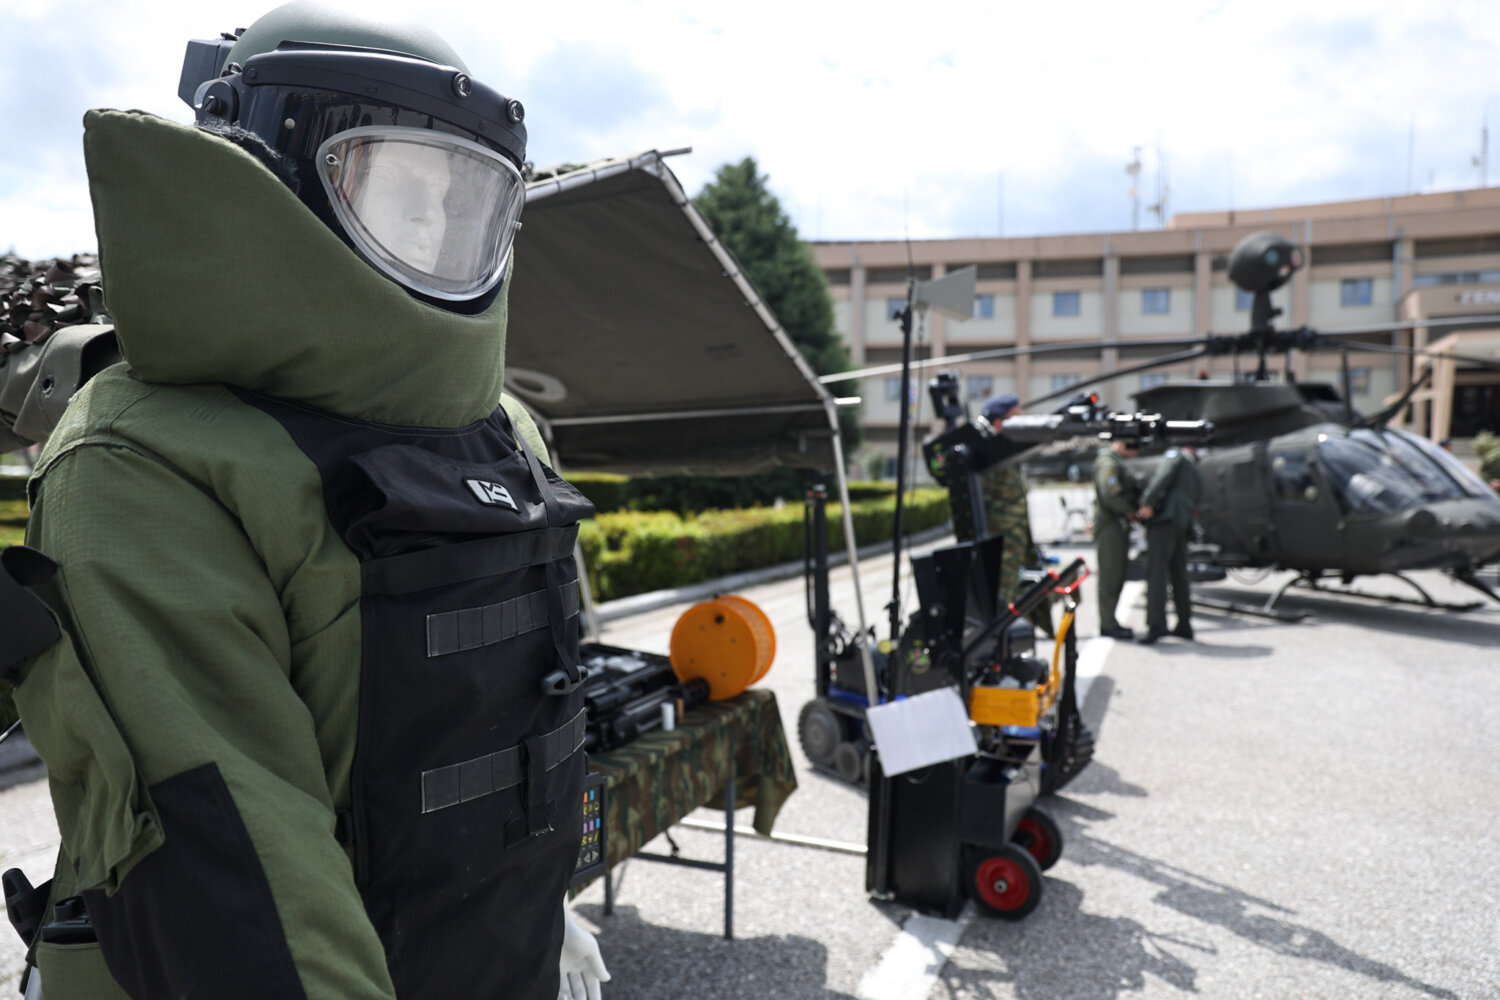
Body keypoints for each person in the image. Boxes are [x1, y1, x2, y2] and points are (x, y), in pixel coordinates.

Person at [0, 4, 609, 998]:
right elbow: (234, 878)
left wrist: (547, 909)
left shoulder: (505, 430)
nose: (433, 228)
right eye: (397, 187)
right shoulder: (143, 459)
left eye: (461, 200)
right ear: (264, 174)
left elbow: (526, 716)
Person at [1136, 446, 1203, 645]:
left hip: (1165, 521)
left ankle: (1156, 625)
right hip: (1183, 524)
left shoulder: (1176, 456)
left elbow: (1163, 476)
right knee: (1179, 574)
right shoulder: (1195, 469)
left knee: (1157, 572)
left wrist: (1147, 502)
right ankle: (1184, 625)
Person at [977, 392, 1039, 605]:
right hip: (1001, 547)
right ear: (998, 423)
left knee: (1015, 595)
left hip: (1015, 543)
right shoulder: (989, 458)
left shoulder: (1007, 455)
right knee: (1001, 599)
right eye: (1016, 419)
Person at [1091, 435, 1140, 640]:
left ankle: (1110, 621)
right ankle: (1108, 624)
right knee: (1110, 576)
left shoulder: (1115, 462)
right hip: (1110, 526)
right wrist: (1130, 511)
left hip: (1116, 525)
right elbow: (1110, 494)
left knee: (1117, 575)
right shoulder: (1108, 463)